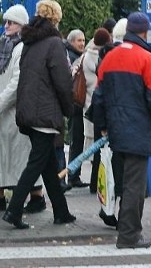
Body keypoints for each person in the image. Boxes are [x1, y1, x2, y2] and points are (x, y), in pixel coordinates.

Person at [92, 12, 151, 249]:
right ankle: (129, 235)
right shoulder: (147, 59)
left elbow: (98, 97)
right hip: (139, 129)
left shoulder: (110, 57)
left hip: (116, 131)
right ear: (145, 32)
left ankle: (127, 230)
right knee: (135, 186)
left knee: (124, 182)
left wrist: (103, 126)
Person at [2, 0, 76, 230]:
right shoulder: (54, 43)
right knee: (36, 164)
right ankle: (13, 211)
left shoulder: (29, 42)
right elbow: (63, 82)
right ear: (55, 19)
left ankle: (61, 212)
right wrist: (69, 109)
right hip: (45, 113)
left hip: (29, 112)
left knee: (48, 165)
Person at [0, 5, 45, 214]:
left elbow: (17, 82)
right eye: (6, 22)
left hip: (14, 112)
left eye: (12, 22)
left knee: (20, 158)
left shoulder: (22, 48)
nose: (6, 26)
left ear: (22, 25)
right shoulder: (3, 46)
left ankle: (37, 197)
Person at [83, 27, 111, 194]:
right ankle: (103, 183)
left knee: (97, 147)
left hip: (92, 103)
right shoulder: (108, 56)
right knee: (105, 149)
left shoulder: (87, 56)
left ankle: (95, 182)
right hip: (103, 102)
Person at [65, 29, 89, 189]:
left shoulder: (75, 55)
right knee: (76, 140)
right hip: (76, 104)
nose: (82, 43)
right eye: (79, 40)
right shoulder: (71, 57)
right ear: (71, 42)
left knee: (77, 140)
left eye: (83, 40)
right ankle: (73, 175)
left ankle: (74, 174)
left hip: (76, 103)